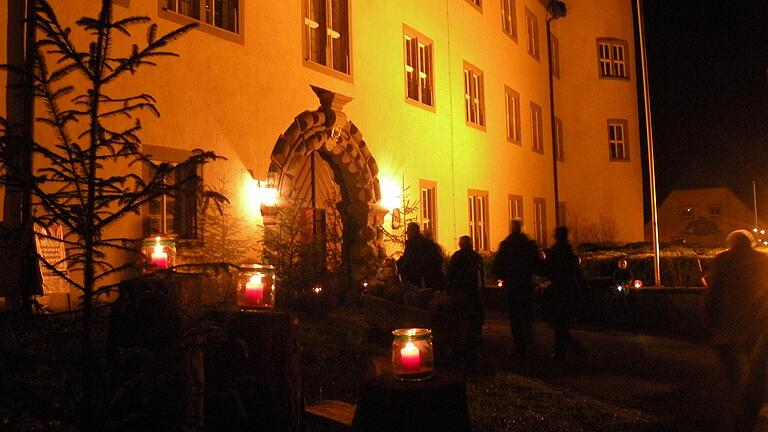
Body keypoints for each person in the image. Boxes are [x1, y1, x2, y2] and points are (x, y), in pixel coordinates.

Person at [703, 230, 768, 430]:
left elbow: (713, 293)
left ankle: (742, 405)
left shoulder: (723, 260)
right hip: (757, 323)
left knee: (733, 365)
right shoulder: (763, 259)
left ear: (731, 244)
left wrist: (710, 320)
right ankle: (751, 400)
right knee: (757, 366)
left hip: (729, 325)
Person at [492, 219, 540, 358]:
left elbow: (498, 265)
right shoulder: (529, 245)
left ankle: (520, 346)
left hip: (512, 285)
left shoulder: (506, 245)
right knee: (526, 314)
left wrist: (501, 277)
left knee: (515, 317)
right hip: (525, 284)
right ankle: (529, 343)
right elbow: (536, 264)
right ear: (521, 229)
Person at [447, 235, 485, 361]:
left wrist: (450, 286)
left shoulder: (457, 256)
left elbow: (451, 273)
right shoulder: (476, 256)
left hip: (461, 289)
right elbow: (481, 274)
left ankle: (464, 342)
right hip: (474, 290)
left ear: (461, 244)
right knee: (475, 316)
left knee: (462, 316)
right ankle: (476, 341)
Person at [544, 226, 580, 360]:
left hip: (558, 289)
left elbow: (548, 269)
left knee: (558, 322)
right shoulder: (569, 250)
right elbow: (575, 270)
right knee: (563, 322)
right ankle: (564, 348)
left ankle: (561, 351)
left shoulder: (555, 251)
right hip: (568, 289)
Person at [396, 222, 445, 290]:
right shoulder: (428, 243)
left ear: (413, 231)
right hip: (429, 277)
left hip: (418, 277)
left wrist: (400, 268)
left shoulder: (414, 244)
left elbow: (409, 260)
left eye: (408, 231)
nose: (407, 234)